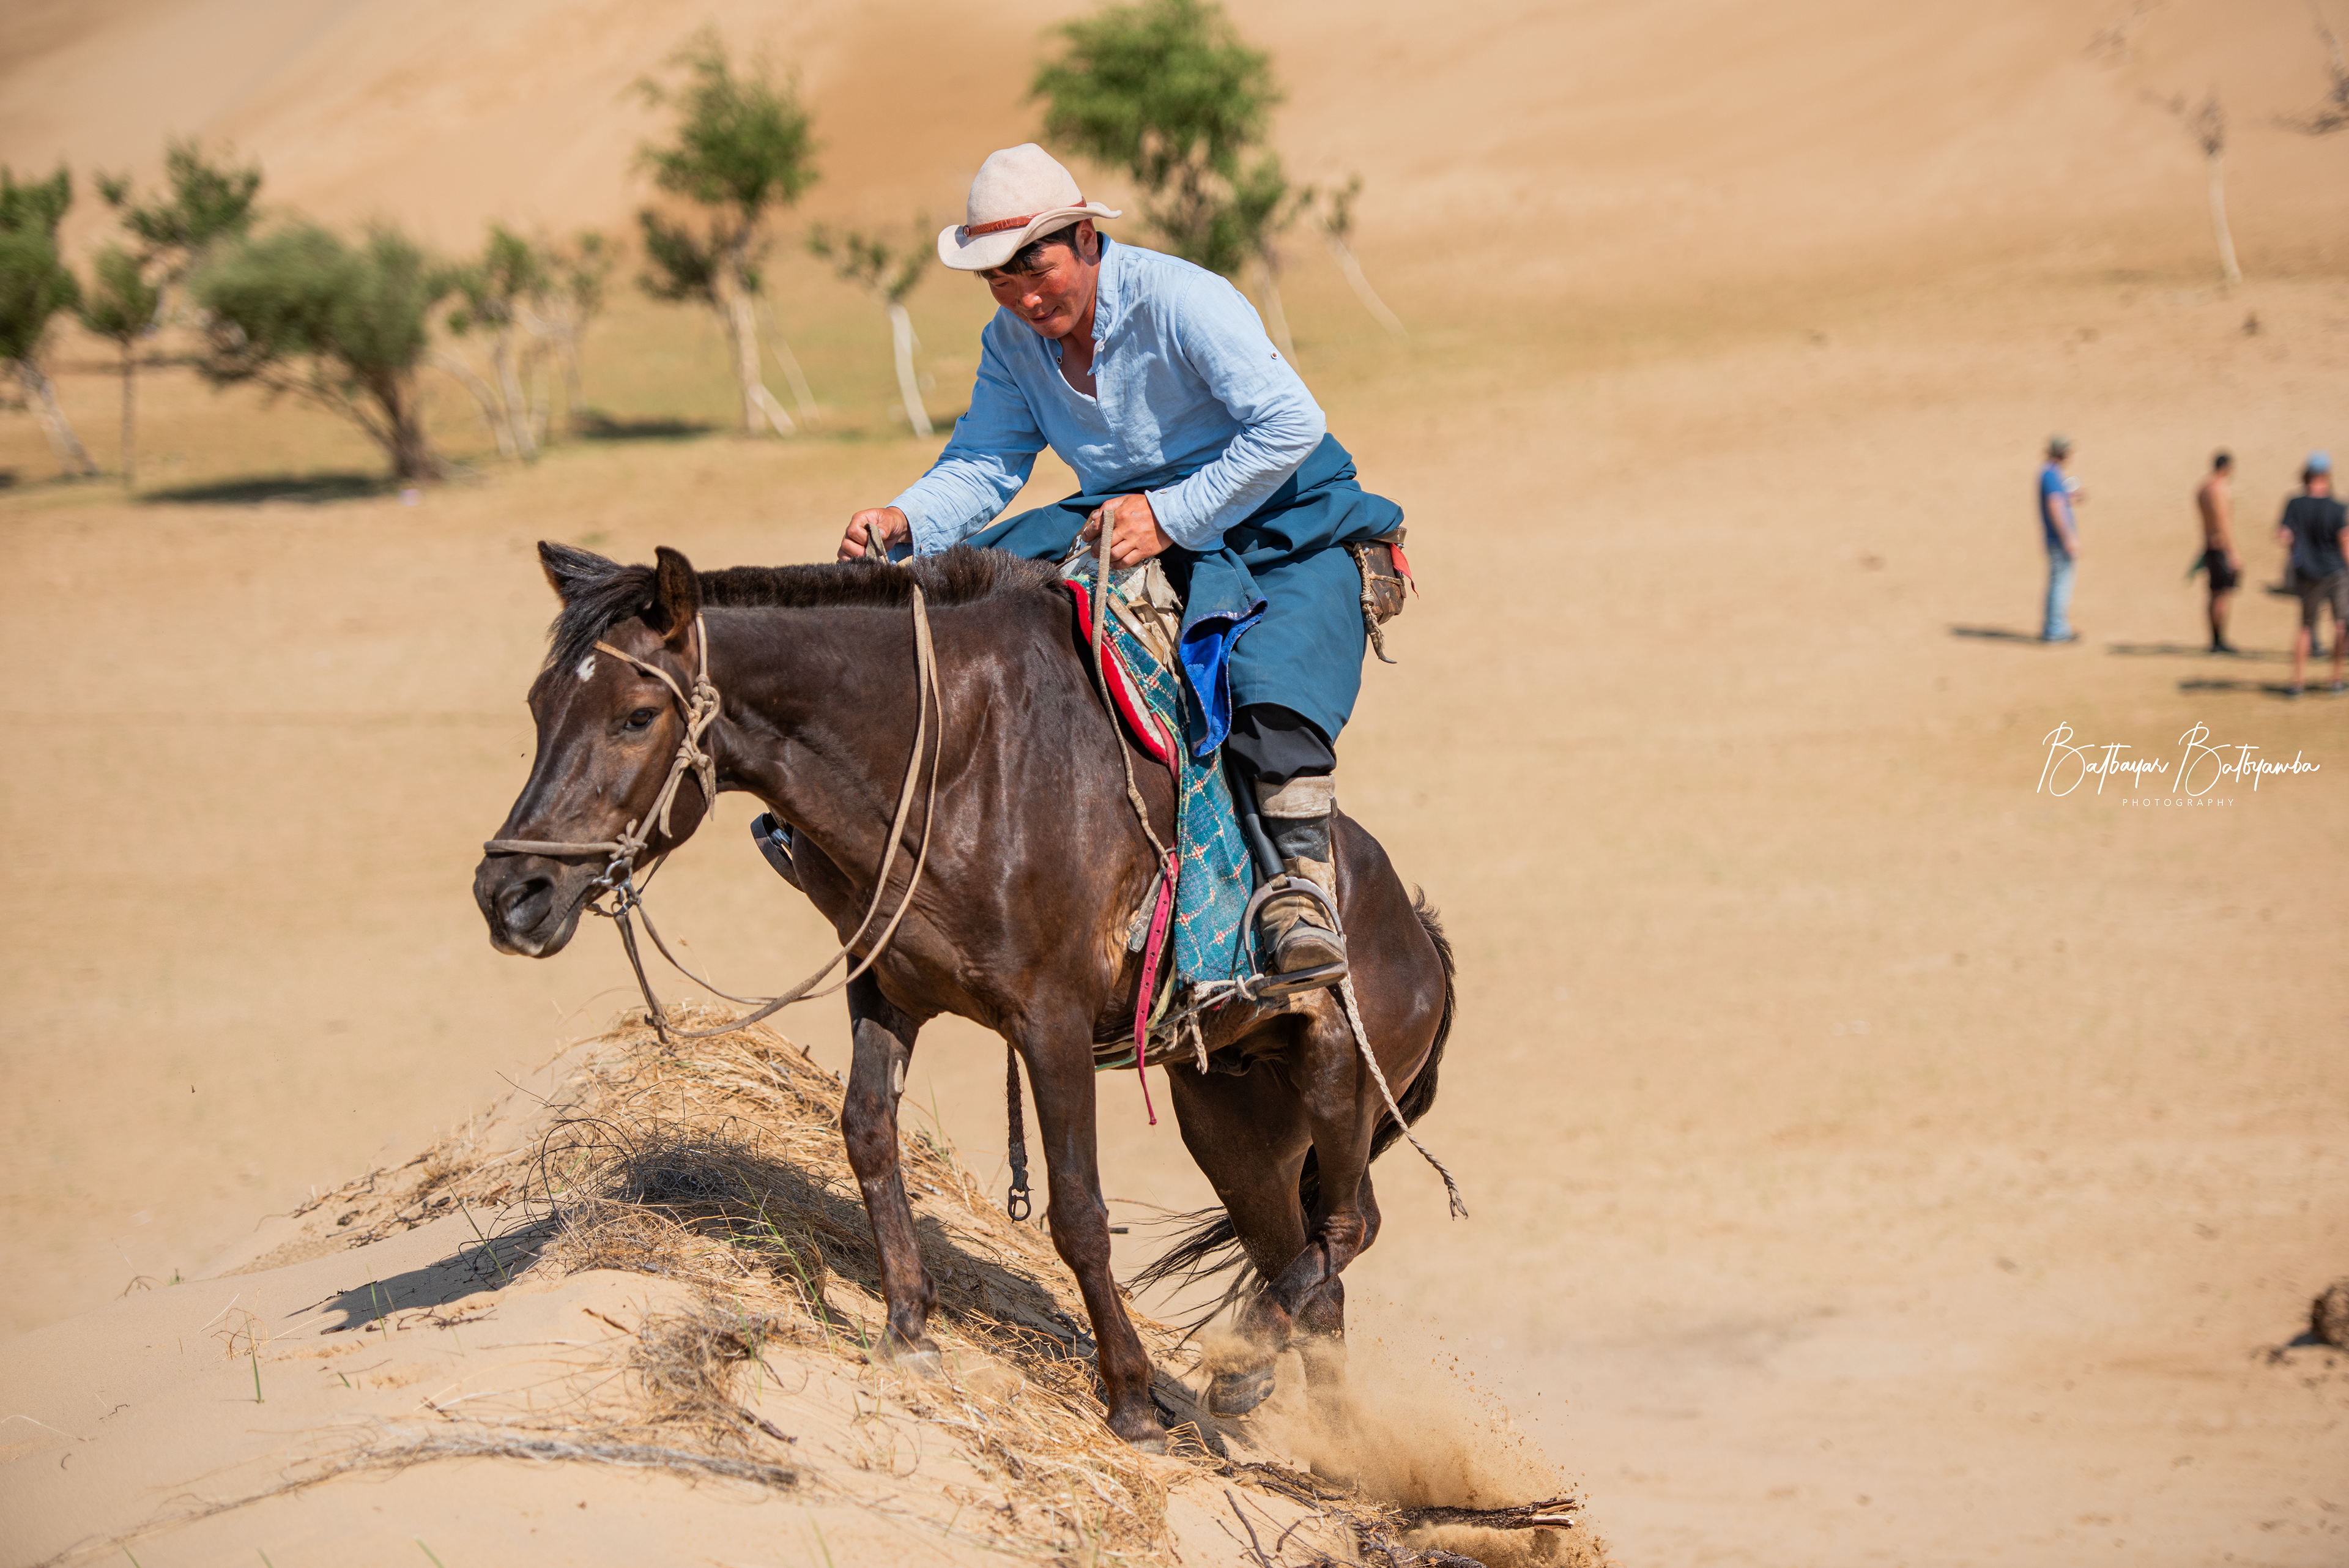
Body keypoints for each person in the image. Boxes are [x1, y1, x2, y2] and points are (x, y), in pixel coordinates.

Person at [839, 144, 1403, 984]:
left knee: (1272, 678)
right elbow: (987, 460)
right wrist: (904, 517)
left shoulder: (1184, 301)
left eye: (1038, 267)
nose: (1025, 295)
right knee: (975, 599)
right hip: (1126, 513)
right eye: (999, 277)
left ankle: (1299, 892)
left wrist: (1172, 516)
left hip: (1282, 512)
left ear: (1087, 241)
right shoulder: (1012, 340)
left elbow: (1289, 424)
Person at [2277, 451, 2347, 697]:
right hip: (2337, 572)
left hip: (2308, 573)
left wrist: (2296, 550)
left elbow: (2283, 535)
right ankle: (2336, 680)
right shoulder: (2338, 507)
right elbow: (2345, 542)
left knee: (2305, 627)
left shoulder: (2295, 503)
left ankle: (2297, 684)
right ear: (2327, 475)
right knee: (2340, 626)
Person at [2194, 451, 2241, 654]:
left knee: (2213, 594)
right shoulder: (2219, 489)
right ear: (2227, 468)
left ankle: (2214, 640)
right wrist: (2233, 554)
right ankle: (2219, 640)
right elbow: (2223, 523)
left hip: (2208, 545)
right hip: (2221, 547)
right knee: (2222, 595)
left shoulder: (2202, 488)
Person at [2038, 435, 2083, 642]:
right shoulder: (2051, 474)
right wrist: (2068, 538)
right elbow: (2055, 506)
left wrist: (2070, 497)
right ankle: (2056, 630)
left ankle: (2055, 627)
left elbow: (2058, 500)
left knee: (2059, 582)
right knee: (2061, 584)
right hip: (2058, 540)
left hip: (2055, 539)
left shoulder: (2051, 474)